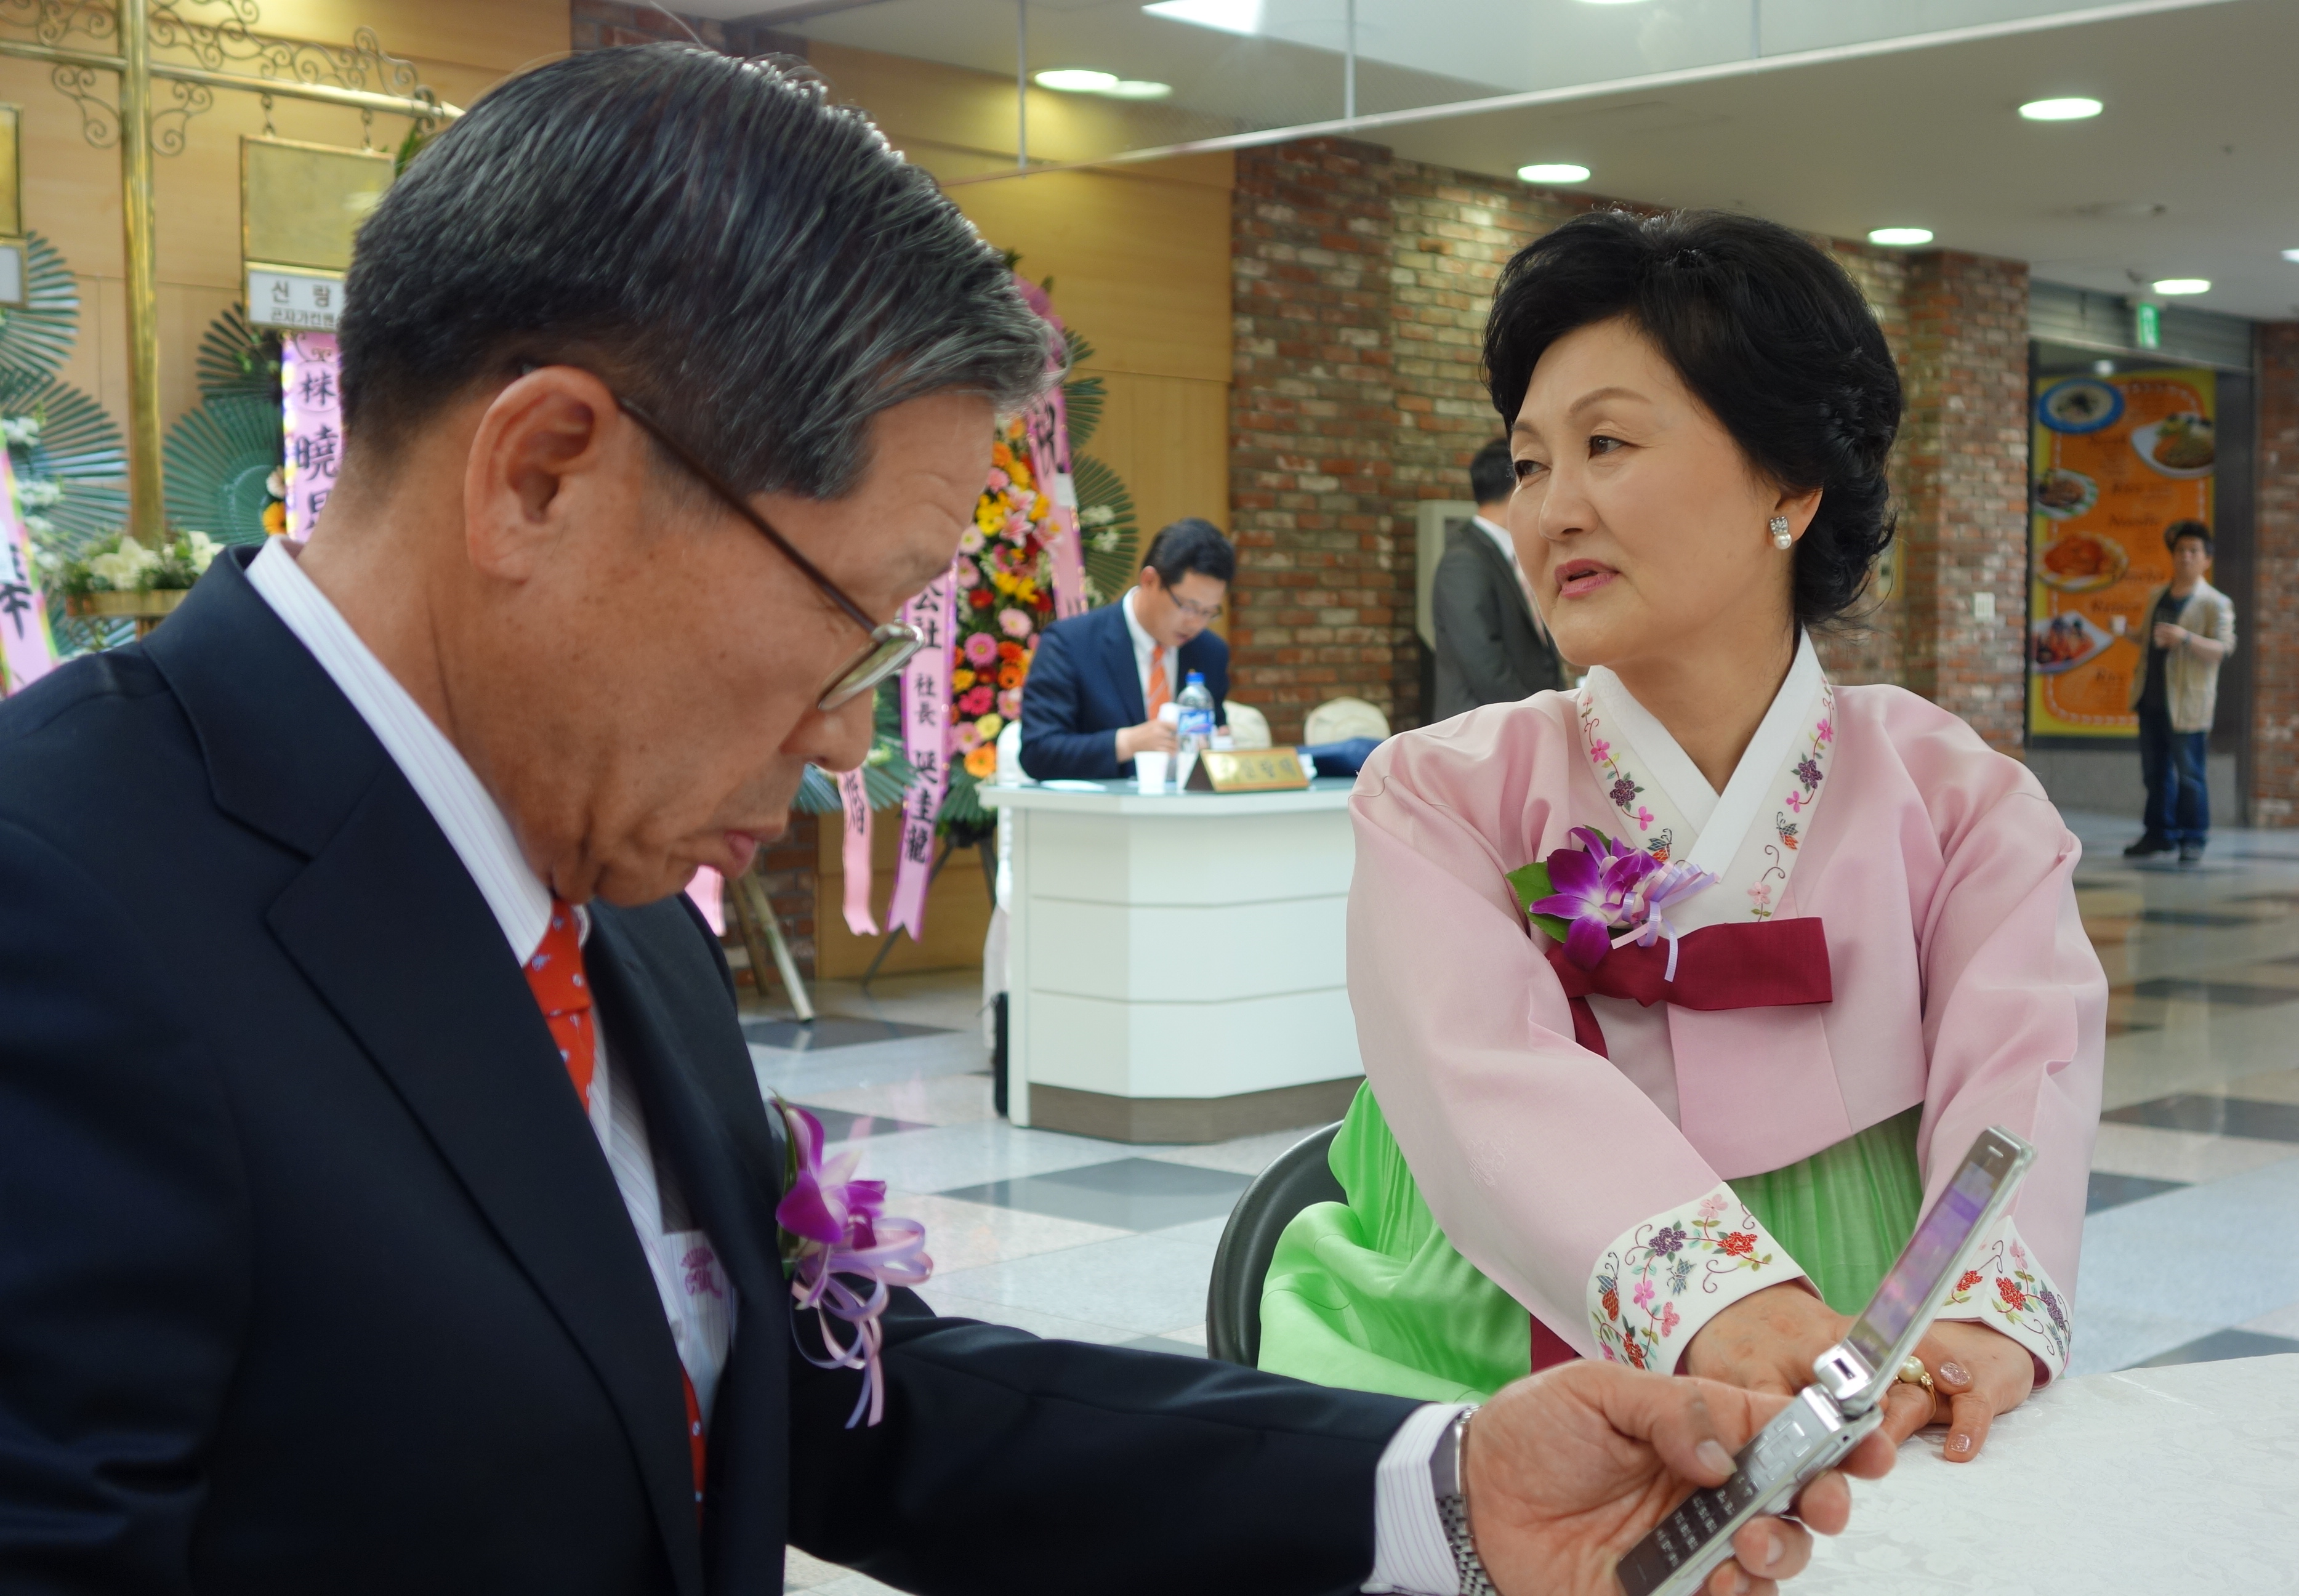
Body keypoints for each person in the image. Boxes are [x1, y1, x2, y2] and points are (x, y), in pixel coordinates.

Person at [0, 51, 1891, 1596]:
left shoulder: (610, 886)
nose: (851, 733)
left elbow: (820, 1394)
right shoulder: (59, 916)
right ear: (546, 474)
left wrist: (1442, 1490)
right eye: (855, 616)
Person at [1259, 209, 2104, 1470]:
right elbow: (1476, 1072)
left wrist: (1977, 1309)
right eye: (1531, 463)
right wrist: (1718, 1303)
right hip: (1486, 1318)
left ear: (1790, 484)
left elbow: (2022, 1073)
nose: (1552, 510)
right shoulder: (1439, 794)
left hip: (1872, 1317)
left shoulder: (1960, 799)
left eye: (1604, 444)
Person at [1018, 516, 1233, 780]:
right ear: (1150, 580)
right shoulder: (1070, 644)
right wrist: (1127, 744)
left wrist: (1220, 746)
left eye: (1209, 613)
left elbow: (1214, 733)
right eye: (1188, 607)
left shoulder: (1210, 652)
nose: (1196, 623)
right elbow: (1039, 753)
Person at [2123, 520, 2234, 866]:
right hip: (2152, 698)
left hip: (2188, 702)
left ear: (2206, 560)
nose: (2186, 556)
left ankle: (2193, 837)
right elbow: (2148, 639)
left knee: (2190, 775)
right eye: (2181, 550)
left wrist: (2185, 638)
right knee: (2154, 773)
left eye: (2194, 551)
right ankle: (2159, 834)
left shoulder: (2215, 603)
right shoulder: (2158, 594)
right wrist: (2127, 633)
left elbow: (2223, 649)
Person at [1434, 437, 1566, 719]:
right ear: (1516, 485)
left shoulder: (1510, 553)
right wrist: (1536, 717)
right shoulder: (1464, 560)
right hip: (1486, 728)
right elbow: (1483, 662)